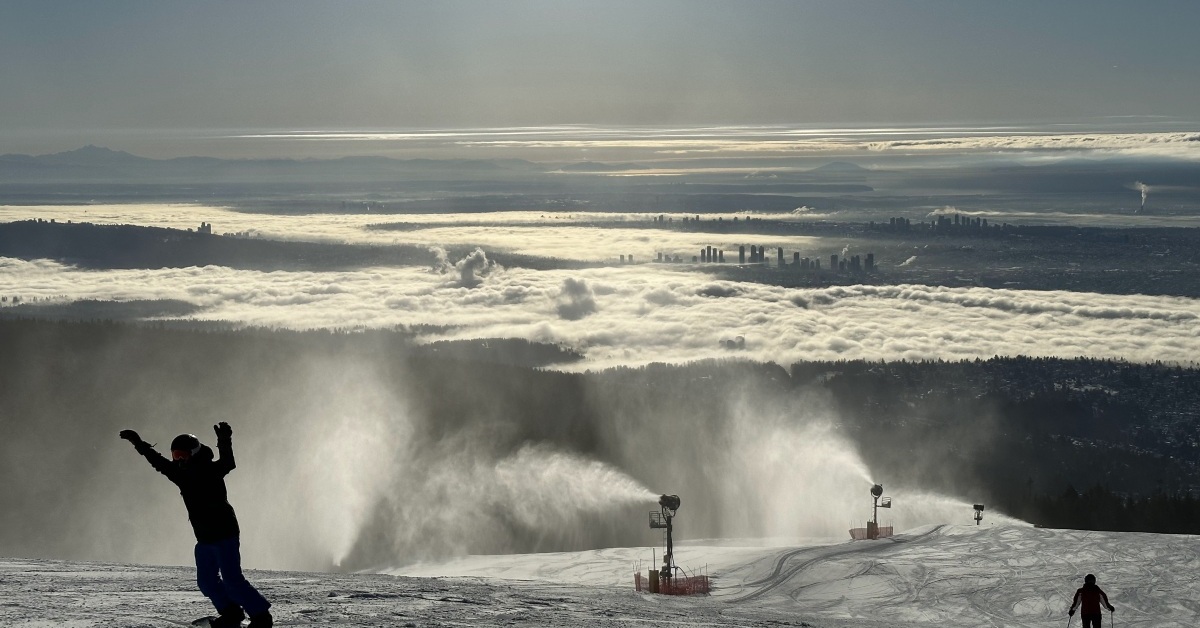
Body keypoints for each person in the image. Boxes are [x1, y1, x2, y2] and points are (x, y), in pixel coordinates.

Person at [121, 422, 272, 628]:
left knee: (232, 581)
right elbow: (157, 462)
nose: (179, 460)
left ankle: (261, 617)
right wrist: (138, 443)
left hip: (225, 534)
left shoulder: (211, 470)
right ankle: (231, 613)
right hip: (204, 538)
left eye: (182, 455)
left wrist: (224, 440)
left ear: (194, 453)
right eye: (176, 456)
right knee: (207, 582)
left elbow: (228, 462)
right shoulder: (180, 475)